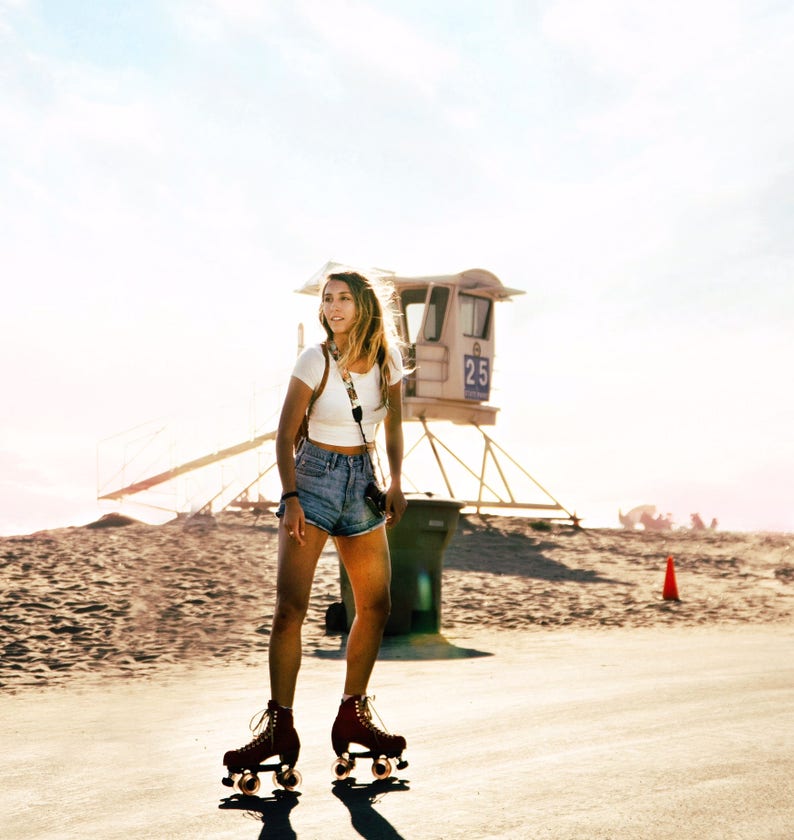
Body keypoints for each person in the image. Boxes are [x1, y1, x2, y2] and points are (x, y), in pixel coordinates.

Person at [222, 270, 408, 787]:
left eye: (344, 298)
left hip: (362, 483)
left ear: (364, 304)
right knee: (291, 608)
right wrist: (291, 497)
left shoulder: (389, 363)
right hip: (313, 478)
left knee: (376, 604)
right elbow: (283, 437)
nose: (333, 306)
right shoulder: (314, 359)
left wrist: (396, 482)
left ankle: (353, 713)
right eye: (327, 299)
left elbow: (394, 427)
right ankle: (279, 725)